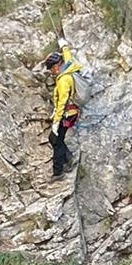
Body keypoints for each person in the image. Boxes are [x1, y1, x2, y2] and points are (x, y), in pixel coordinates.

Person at [44, 41, 82, 180]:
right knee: (56, 139)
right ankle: (68, 158)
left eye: (51, 69)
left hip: (66, 114)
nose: (51, 72)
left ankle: (58, 171)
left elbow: (63, 102)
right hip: (71, 113)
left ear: (56, 66)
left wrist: (56, 121)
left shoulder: (63, 80)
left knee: (56, 140)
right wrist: (64, 46)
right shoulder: (69, 67)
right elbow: (68, 56)